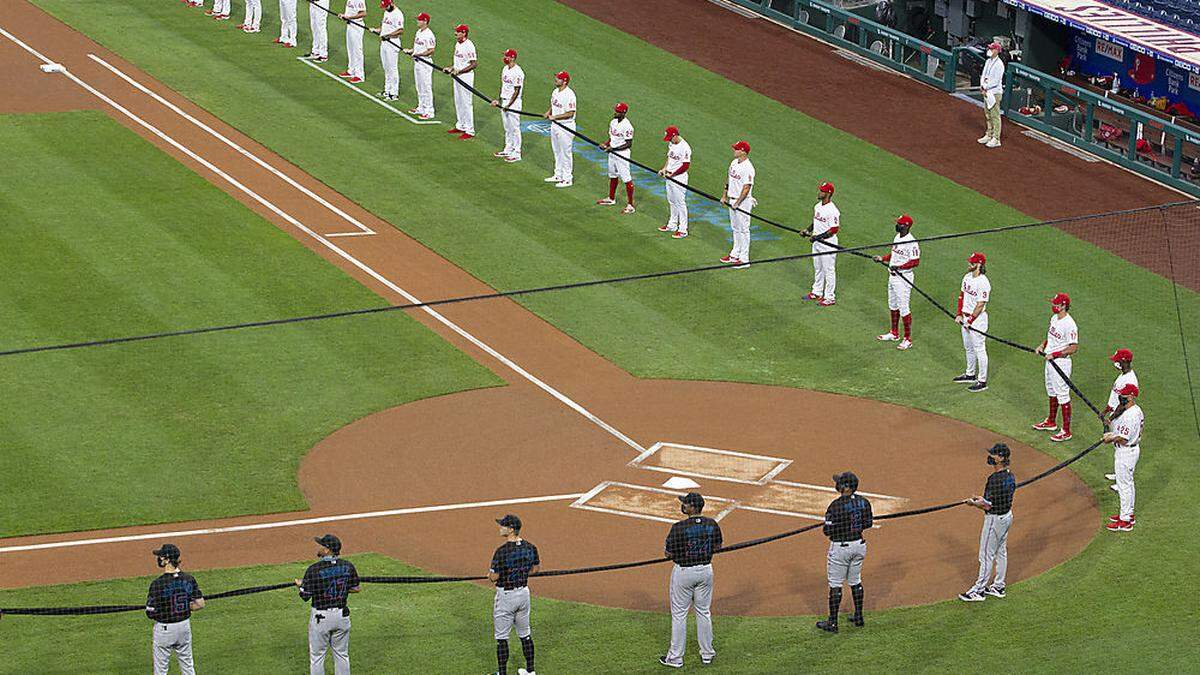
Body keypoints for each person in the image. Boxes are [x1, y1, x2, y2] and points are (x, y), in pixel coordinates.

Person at [659, 492, 722, 668]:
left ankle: (675, 658)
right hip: (706, 571)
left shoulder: (678, 527)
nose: (683, 506)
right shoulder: (712, 524)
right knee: (703, 611)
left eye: (686, 504)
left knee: (679, 615)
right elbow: (717, 547)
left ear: (693, 507)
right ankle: (707, 654)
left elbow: (668, 553)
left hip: (684, 572)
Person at [296, 534, 360, 675]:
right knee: (342, 654)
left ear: (327, 550)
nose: (319, 548)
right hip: (342, 616)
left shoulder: (314, 570)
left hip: (321, 618)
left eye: (322, 546)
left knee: (317, 656)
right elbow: (356, 588)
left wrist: (300, 585)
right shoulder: (348, 566)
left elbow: (305, 595)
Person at [959, 443, 1016, 602]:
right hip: (1006, 517)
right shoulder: (1010, 476)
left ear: (1002, 458)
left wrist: (973, 503)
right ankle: (999, 586)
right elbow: (996, 500)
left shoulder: (994, 479)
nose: (991, 457)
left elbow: (989, 505)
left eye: (994, 455)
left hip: (994, 520)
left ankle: (978, 590)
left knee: (986, 555)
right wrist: (983, 500)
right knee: (1000, 551)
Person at [816, 472, 873, 633]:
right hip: (859, 545)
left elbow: (827, 531)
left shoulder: (835, 506)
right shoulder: (864, 502)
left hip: (840, 549)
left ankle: (832, 623)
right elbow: (868, 524)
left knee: (835, 585)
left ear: (845, 487)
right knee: (855, 581)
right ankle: (859, 617)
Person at [488, 514, 540, 675]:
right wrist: (520, 573)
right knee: (525, 635)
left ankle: (502, 673)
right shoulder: (530, 547)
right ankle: (530, 671)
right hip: (524, 594)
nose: (500, 527)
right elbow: (535, 569)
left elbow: (494, 577)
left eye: (503, 525)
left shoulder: (502, 552)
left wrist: (490, 575)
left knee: (502, 638)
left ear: (511, 529)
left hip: (506, 597)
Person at [146, 543, 205, 675]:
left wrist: (166, 609)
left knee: (161, 670)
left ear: (167, 559)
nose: (159, 559)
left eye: (161, 556)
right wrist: (184, 606)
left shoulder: (158, 584)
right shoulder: (189, 579)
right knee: (188, 665)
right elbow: (200, 604)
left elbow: (150, 612)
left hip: (165, 630)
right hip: (184, 627)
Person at [1032, 293, 1079, 442]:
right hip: (1050, 361)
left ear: (1063, 305)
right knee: (1051, 391)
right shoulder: (1054, 318)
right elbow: (1051, 337)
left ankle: (1066, 431)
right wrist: (1042, 345)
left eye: (1056, 304)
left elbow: (1073, 347)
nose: (1053, 306)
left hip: (1061, 363)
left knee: (1063, 395)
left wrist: (1056, 354)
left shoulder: (1069, 324)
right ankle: (1051, 422)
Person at [873, 214, 920, 349]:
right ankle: (894, 333)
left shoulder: (912, 242)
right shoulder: (897, 237)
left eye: (899, 223)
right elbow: (894, 254)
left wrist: (899, 267)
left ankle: (907, 339)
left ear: (906, 226)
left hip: (903, 278)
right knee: (893, 304)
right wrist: (883, 258)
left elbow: (915, 261)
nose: (897, 225)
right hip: (892, 276)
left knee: (904, 308)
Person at [1103, 384, 1143, 532]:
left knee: (1124, 486)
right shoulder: (1135, 410)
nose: (1120, 397)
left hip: (1126, 452)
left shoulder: (1131, 415)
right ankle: (1128, 515)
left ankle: (1125, 521)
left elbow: (1124, 439)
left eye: (1123, 395)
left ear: (1131, 396)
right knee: (1128, 484)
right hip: (1130, 451)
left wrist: (1110, 438)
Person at [953, 252, 992, 391]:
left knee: (979, 349)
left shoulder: (983, 282)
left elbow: (980, 304)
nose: (969, 264)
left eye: (972, 262)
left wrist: (970, 320)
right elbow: (961, 296)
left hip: (978, 320)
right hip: (965, 317)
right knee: (968, 347)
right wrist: (959, 314)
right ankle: (970, 374)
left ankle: (982, 381)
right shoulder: (967, 277)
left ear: (979, 264)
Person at [1102, 348, 1139, 492]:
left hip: (1121, 416)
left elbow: (1123, 405)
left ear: (1124, 361)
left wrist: (1110, 418)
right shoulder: (1122, 376)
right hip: (1115, 414)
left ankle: (1122, 480)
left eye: (1117, 360)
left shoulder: (1130, 380)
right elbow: (1113, 398)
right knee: (1117, 445)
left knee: (1121, 443)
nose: (1115, 362)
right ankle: (1119, 474)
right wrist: (1105, 411)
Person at [803, 182, 839, 306]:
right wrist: (808, 230)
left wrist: (818, 237)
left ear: (828, 193)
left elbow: (834, 229)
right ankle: (817, 291)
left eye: (822, 191)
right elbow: (815, 222)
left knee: (828, 269)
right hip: (817, 242)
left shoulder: (833, 210)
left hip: (828, 243)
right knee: (818, 267)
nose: (819, 192)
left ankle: (829, 297)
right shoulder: (817, 206)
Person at [719, 141, 755, 267]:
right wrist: (724, 195)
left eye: (736, 149)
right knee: (735, 228)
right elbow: (729, 179)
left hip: (743, 202)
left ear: (743, 151)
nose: (734, 150)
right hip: (732, 199)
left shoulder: (748, 167)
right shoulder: (734, 163)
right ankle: (735, 254)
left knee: (744, 229)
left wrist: (738, 202)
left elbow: (746, 188)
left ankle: (744, 259)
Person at [596, 102, 636, 213]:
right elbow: (612, 138)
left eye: (618, 111)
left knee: (626, 178)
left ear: (623, 113)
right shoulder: (613, 122)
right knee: (612, 175)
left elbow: (628, 143)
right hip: (612, 153)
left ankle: (630, 205)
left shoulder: (628, 126)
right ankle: (611, 198)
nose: (616, 112)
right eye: (616, 110)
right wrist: (606, 144)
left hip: (622, 155)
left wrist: (613, 149)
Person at [442, 24, 478, 139]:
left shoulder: (469, 45)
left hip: (466, 77)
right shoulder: (458, 44)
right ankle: (461, 125)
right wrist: (451, 68)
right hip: (457, 75)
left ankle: (470, 129)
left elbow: (474, 64)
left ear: (464, 33)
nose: (455, 33)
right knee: (458, 101)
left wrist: (460, 71)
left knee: (466, 103)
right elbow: (459, 63)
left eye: (458, 32)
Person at [657, 125, 692, 238]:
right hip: (669, 176)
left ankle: (683, 229)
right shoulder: (672, 143)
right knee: (671, 200)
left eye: (670, 138)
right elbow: (670, 158)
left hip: (679, 177)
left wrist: (673, 174)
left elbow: (686, 165)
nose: (669, 140)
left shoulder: (685, 147)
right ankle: (672, 224)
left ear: (675, 135)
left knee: (680, 202)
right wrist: (664, 169)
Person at [544, 71, 577, 188]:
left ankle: (568, 178)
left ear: (565, 81)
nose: (556, 80)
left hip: (565, 126)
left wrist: (555, 117)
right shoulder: (555, 92)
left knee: (566, 153)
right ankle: (558, 174)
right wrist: (549, 112)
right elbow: (554, 104)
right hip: (555, 125)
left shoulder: (570, 95)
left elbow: (570, 113)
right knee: (556, 150)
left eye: (558, 78)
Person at [491, 49, 525, 162]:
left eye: (506, 56)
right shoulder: (505, 69)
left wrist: (509, 105)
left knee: (515, 128)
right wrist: (499, 100)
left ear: (512, 58)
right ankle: (508, 148)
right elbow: (503, 87)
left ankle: (517, 152)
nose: (504, 58)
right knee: (507, 127)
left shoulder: (518, 72)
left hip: (514, 103)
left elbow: (517, 90)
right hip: (505, 101)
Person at [404, 13, 436, 119]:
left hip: (425, 63)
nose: (417, 21)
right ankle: (421, 107)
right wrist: (411, 51)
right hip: (417, 62)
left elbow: (431, 50)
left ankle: (429, 111)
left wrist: (419, 54)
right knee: (419, 86)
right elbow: (417, 48)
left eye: (419, 20)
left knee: (426, 86)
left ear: (425, 21)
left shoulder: (429, 34)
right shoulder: (418, 32)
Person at [370, 0, 404, 101]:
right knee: (386, 67)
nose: (384, 8)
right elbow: (385, 26)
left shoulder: (398, 14)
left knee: (392, 68)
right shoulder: (386, 12)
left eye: (386, 6)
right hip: (384, 43)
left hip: (392, 43)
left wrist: (387, 35)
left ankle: (394, 93)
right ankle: (387, 90)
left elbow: (400, 30)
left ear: (391, 3)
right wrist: (377, 30)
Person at [979, 41, 1005, 148]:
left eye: (991, 48)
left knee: (995, 115)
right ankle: (989, 134)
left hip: (994, 93)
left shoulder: (999, 64)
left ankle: (996, 138)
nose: (989, 50)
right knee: (987, 114)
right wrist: (982, 86)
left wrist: (985, 87)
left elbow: (995, 81)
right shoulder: (988, 61)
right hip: (986, 92)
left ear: (996, 51)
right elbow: (984, 74)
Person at [338, 0, 367, 84]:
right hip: (350, 25)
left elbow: (363, 13)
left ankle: (360, 75)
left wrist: (349, 17)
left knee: (357, 50)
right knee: (350, 48)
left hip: (357, 26)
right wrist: (344, 16)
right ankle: (351, 70)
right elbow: (350, 12)